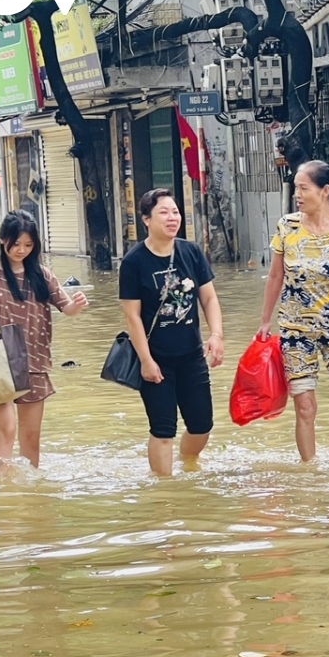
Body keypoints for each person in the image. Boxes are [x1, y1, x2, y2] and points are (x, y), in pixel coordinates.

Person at [260, 160, 329, 462]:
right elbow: (275, 276)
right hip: (296, 330)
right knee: (305, 408)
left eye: (303, 187)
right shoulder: (287, 226)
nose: (297, 193)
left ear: (325, 191)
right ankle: (309, 470)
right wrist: (265, 320)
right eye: (296, 187)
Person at [0, 210, 88, 469]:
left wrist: (77, 305)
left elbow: (65, 307)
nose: (22, 250)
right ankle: (1, 490)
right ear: (2, 240)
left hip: (35, 362)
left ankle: (29, 492)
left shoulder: (42, 274)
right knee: (6, 429)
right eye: (16, 244)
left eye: (29, 245)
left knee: (31, 437)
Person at [119, 188, 225, 476]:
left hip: (191, 355)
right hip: (156, 357)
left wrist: (216, 336)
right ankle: (164, 490)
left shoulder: (190, 252)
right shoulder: (134, 262)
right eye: (163, 212)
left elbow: (209, 299)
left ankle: (187, 463)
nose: (172, 217)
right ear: (146, 220)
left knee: (202, 425)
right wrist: (145, 360)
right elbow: (133, 317)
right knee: (163, 428)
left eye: (175, 211)